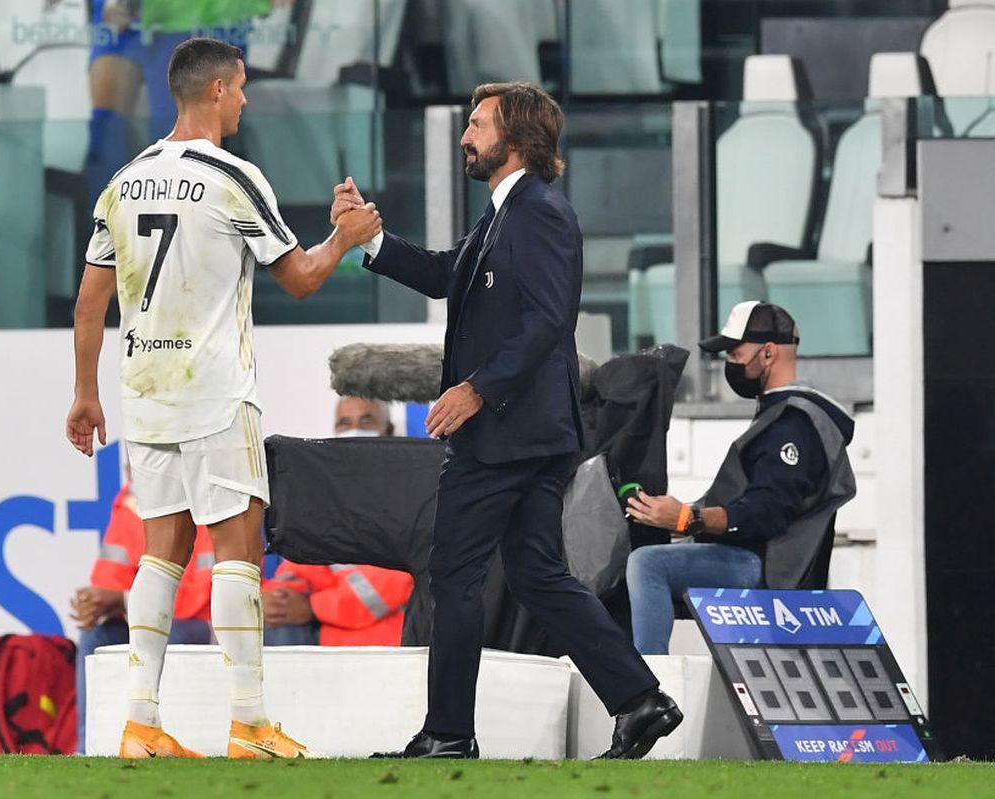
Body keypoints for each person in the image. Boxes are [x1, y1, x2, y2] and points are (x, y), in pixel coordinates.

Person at [332, 82, 681, 760]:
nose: (466, 135)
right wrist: (372, 239)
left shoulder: (538, 213)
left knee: (453, 573)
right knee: (538, 575)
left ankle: (449, 732)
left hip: (508, 435)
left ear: (515, 139)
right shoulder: (504, 215)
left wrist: (477, 391)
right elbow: (443, 274)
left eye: (478, 124)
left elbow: (547, 321)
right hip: (526, 435)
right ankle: (641, 700)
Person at [64, 37, 380, 760]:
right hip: (212, 390)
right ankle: (250, 722)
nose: (243, 100)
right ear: (214, 91)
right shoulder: (232, 177)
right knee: (237, 552)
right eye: (239, 89)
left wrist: (85, 393)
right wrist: (346, 236)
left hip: (143, 391)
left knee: (160, 553)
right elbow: (299, 276)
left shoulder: (124, 180)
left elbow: (89, 305)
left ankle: (140, 723)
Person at [625, 301, 856, 654]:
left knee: (648, 564)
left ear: (767, 354)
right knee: (642, 549)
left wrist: (688, 519)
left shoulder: (794, 423)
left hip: (769, 566)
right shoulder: (779, 414)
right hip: (751, 554)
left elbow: (766, 515)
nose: (728, 365)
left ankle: (649, 685)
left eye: (735, 354)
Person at [85, 0, 276, 212]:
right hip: (129, 19)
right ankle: (104, 227)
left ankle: (176, 222)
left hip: (191, 20)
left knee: (175, 136)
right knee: (106, 131)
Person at [70, 480, 214, 755]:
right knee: (96, 635)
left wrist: (120, 599)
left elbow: (196, 599)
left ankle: (159, 735)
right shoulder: (130, 503)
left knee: (171, 633)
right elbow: (108, 581)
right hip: (146, 617)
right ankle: (89, 746)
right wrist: (97, 605)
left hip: (201, 625)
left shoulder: (207, 498)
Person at [263, 397, 413, 647]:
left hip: (381, 643)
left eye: (367, 420)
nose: (355, 429)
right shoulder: (324, 494)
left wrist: (313, 606)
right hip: (325, 636)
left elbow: (387, 586)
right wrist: (276, 599)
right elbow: (299, 566)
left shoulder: (406, 492)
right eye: (345, 422)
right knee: (278, 626)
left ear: (388, 430)